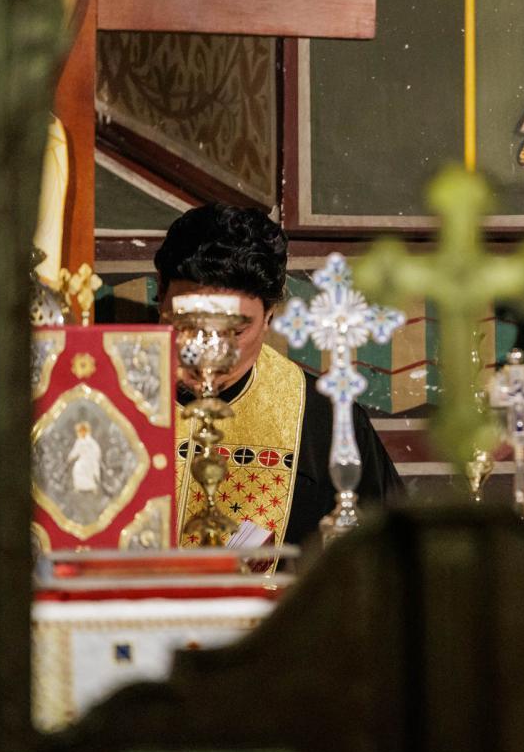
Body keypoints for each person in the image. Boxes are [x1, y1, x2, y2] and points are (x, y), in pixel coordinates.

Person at [155, 204, 404, 547]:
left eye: (233, 332)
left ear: (269, 316)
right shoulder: (103, 392)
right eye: (188, 324)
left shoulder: (323, 419)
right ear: (161, 295)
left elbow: (392, 552)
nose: (206, 352)